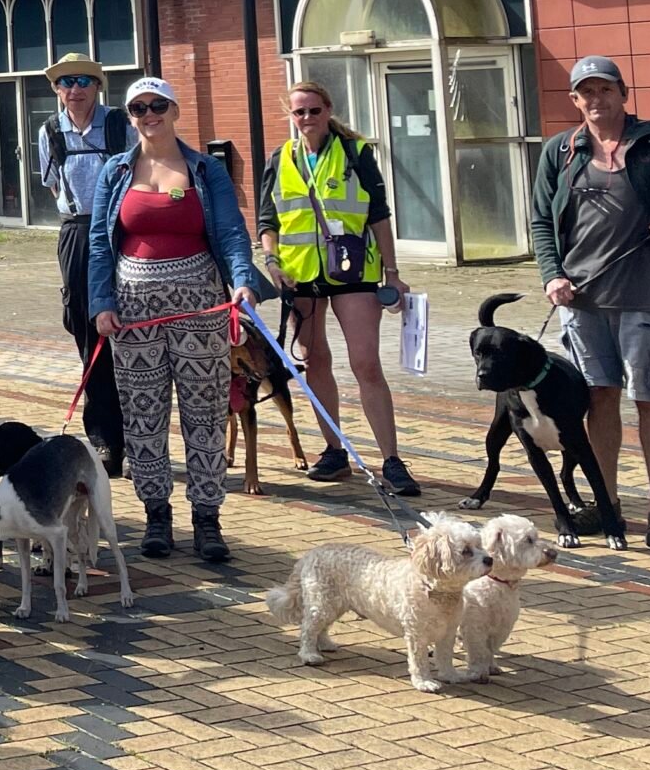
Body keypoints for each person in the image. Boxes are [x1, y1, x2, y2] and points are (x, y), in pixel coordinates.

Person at [85, 77, 265, 564]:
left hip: (201, 308)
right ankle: (156, 515)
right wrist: (100, 303)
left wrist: (242, 281)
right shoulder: (115, 171)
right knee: (143, 417)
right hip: (132, 312)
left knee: (205, 412)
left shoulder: (205, 170)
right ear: (129, 117)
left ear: (175, 109)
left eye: (157, 105)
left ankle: (207, 518)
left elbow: (230, 231)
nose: (149, 115)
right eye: (138, 108)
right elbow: (101, 243)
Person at [529, 56, 650, 552]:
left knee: (649, 397)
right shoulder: (561, 151)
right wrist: (552, 275)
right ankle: (607, 503)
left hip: (648, 293)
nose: (596, 100)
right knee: (598, 396)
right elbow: (542, 219)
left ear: (623, 93)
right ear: (575, 100)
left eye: (605, 90)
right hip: (582, 300)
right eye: (586, 92)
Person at [257, 80, 421, 497]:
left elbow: (380, 215)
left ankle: (392, 460)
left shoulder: (355, 152)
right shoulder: (280, 158)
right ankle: (334, 451)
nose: (306, 119)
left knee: (365, 363)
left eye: (313, 110)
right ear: (290, 116)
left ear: (328, 111)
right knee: (315, 361)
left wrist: (392, 272)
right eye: (299, 112)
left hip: (354, 272)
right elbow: (267, 221)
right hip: (301, 275)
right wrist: (272, 262)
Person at [37, 53, 123, 471]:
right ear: (57, 90)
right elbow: (54, 186)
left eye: (83, 81)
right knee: (86, 333)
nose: (74, 89)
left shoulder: (119, 123)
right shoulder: (50, 131)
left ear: (98, 86)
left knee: (126, 328)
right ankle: (103, 437)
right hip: (76, 231)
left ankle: (134, 434)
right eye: (65, 82)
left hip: (120, 230)